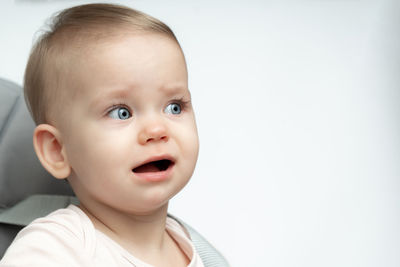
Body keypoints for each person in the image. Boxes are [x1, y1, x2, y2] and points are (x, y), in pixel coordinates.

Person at [0, 3, 220, 266]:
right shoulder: (55, 246)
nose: (157, 130)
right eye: (121, 113)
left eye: (174, 107)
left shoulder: (198, 250)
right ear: (58, 150)